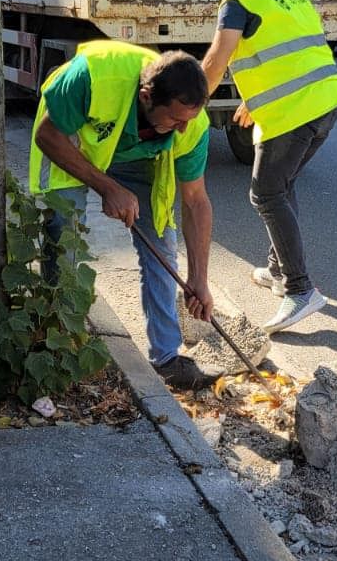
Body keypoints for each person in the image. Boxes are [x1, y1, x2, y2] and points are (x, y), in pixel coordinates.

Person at [30, 41, 218, 391]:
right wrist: (106, 186)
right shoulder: (91, 77)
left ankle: (167, 358)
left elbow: (196, 202)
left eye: (187, 121)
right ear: (147, 96)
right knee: (63, 236)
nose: (181, 129)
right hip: (73, 144)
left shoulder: (191, 124)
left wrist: (200, 280)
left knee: (162, 248)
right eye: (175, 119)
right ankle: (59, 345)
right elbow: (47, 136)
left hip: (138, 156)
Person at [200, 0, 337, 333]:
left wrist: (189, 104)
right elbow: (289, 47)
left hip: (294, 113)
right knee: (282, 185)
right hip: (327, 99)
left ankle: (301, 290)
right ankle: (277, 270)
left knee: (265, 192)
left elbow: (217, 59)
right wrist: (252, 97)